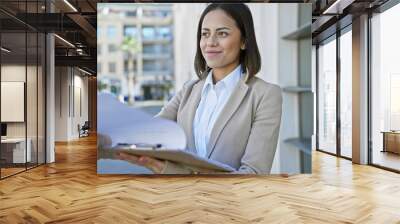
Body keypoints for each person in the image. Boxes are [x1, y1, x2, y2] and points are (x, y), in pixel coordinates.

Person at [115, 3, 282, 174]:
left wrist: (168, 170)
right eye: (205, 34)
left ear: (244, 41)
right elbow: (151, 131)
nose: (210, 42)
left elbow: (254, 173)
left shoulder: (265, 95)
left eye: (222, 33)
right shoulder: (189, 89)